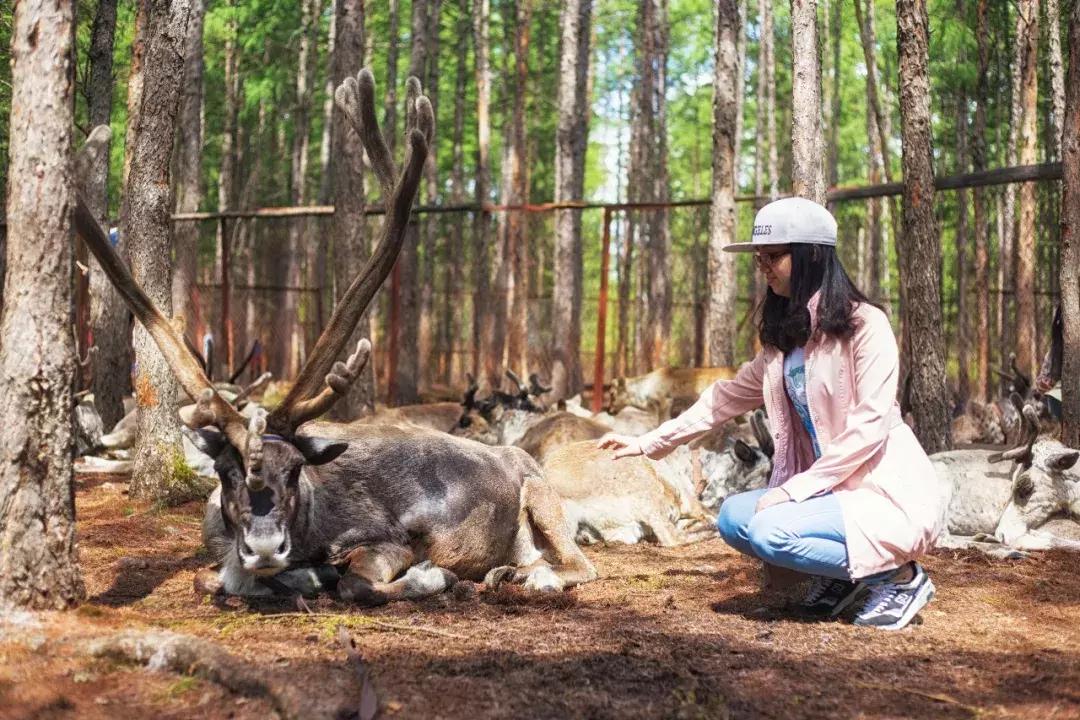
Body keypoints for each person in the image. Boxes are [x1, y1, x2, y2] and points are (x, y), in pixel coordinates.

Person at [598, 197, 942, 631]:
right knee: (733, 519)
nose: (763, 266)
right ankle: (844, 580)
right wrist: (649, 442)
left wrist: (797, 489)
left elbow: (870, 427)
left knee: (769, 532)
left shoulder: (866, 326)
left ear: (811, 255)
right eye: (760, 257)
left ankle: (900, 577)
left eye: (774, 256)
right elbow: (723, 399)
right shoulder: (786, 342)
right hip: (829, 491)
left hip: (879, 489)